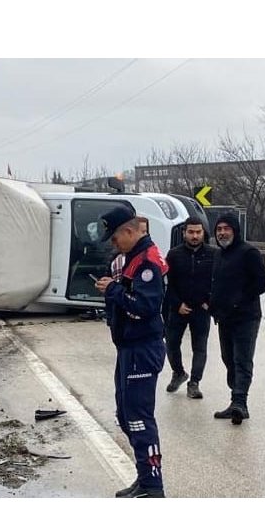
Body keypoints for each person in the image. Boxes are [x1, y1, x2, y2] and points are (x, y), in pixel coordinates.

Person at [94, 204, 168, 498]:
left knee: (138, 417)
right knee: (125, 415)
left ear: (129, 230)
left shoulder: (146, 261)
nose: (114, 244)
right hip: (128, 346)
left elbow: (146, 306)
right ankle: (144, 475)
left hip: (143, 347)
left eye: (115, 239)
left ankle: (153, 486)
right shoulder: (129, 258)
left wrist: (113, 290)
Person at [209, 212, 265, 425]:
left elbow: (262, 282)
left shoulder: (248, 253)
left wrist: (239, 299)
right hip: (224, 317)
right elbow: (216, 283)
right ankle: (235, 398)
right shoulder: (218, 255)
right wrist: (212, 304)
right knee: (228, 359)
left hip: (246, 317)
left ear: (235, 231)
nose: (222, 233)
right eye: (219, 229)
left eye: (227, 229)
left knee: (242, 360)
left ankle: (240, 402)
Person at [163, 216, 216, 400]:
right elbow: (169, 284)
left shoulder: (213, 254)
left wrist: (209, 302)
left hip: (202, 309)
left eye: (198, 232)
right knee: (171, 343)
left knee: (199, 347)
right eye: (191, 232)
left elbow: (217, 282)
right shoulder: (174, 254)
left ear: (203, 233)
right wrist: (177, 304)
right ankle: (178, 372)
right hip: (178, 308)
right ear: (184, 233)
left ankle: (194, 383)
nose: (195, 236)